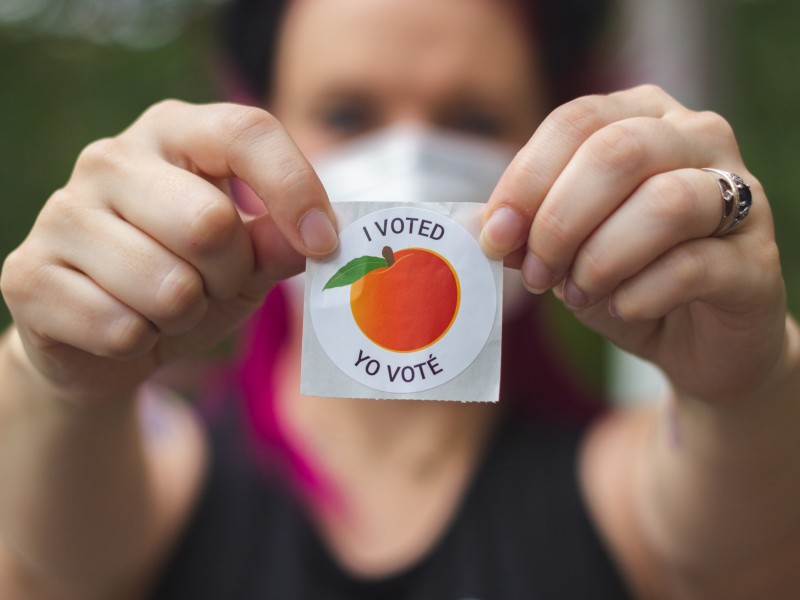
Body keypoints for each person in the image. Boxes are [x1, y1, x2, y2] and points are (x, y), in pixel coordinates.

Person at [0, 0, 798, 598]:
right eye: (347, 113)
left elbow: (744, 552)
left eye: (474, 118)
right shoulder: (159, 473)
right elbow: (45, 561)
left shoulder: (623, 489)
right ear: (249, 141)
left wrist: (749, 392)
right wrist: (57, 382)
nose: (409, 156)